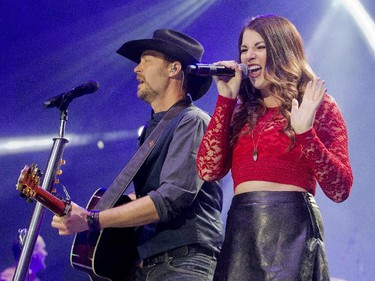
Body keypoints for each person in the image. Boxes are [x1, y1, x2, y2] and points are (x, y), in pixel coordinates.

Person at [51, 29, 223, 281]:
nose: (136, 69)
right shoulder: (152, 129)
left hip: (184, 263)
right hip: (149, 265)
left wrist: (92, 219)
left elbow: (170, 198)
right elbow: (151, 194)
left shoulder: (192, 121)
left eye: (146, 60)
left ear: (174, 68)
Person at [197, 15, 353, 281]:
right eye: (244, 50)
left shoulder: (318, 105)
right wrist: (225, 100)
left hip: (293, 232)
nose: (248, 56)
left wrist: (306, 134)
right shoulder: (240, 112)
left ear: (281, 49)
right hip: (242, 233)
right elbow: (208, 169)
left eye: (259, 47)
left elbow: (340, 189)